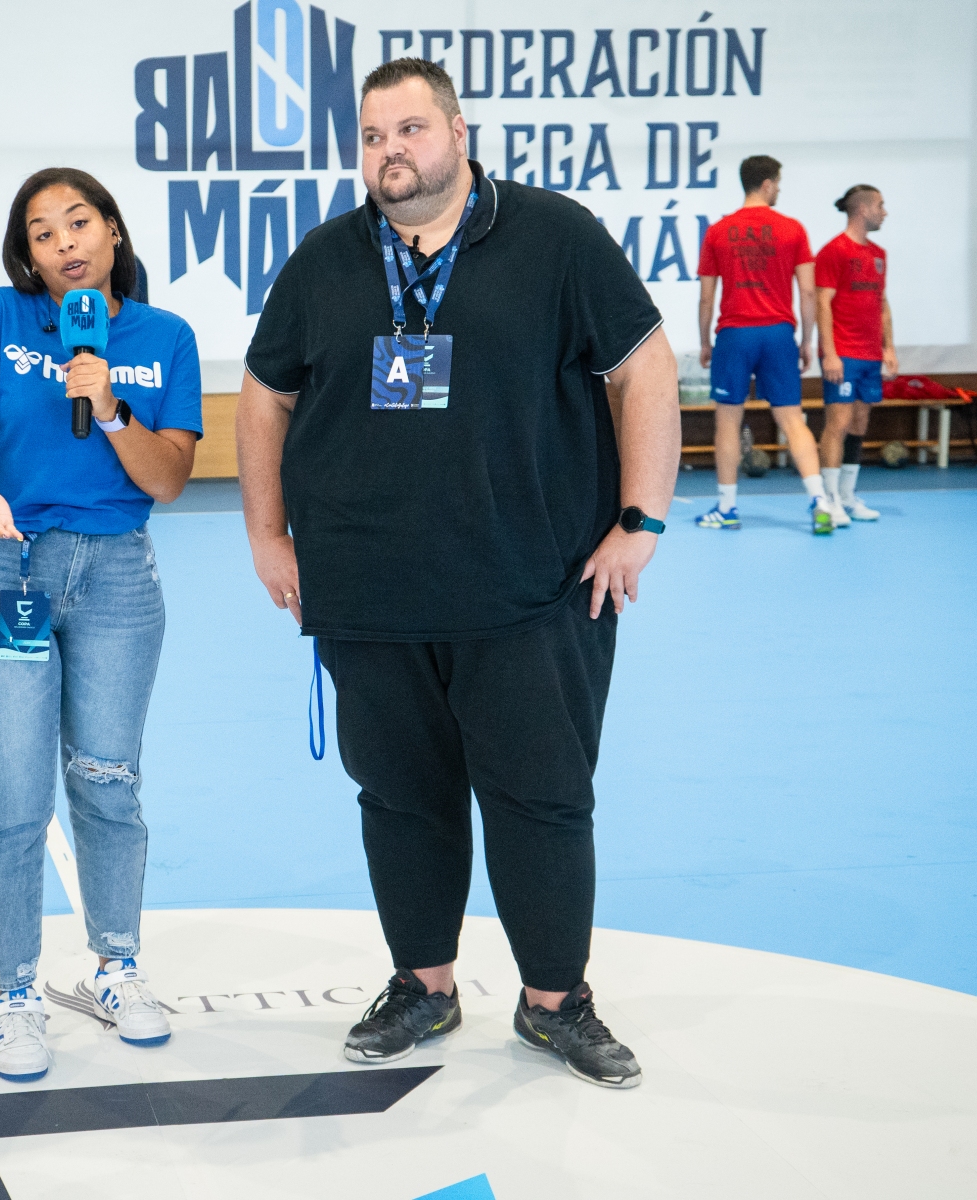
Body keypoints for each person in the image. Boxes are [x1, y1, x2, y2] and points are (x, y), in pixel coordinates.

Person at [238, 58, 679, 1089]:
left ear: (458, 132)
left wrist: (641, 522)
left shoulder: (557, 238)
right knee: (400, 800)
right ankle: (423, 987)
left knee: (543, 800)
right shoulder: (325, 260)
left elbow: (644, 368)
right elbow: (265, 395)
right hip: (368, 594)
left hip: (532, 588)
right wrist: (267, 534)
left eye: (410, 129)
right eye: (372, 137)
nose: (390, 152)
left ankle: (555, 1003)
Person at [0, 167, 202, 1083]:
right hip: (7, 565)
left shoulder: (165, 338)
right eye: (42, 233)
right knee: (13, 793)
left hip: (118, 575)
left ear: (113, 231)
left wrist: (111, 405)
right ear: (28, 254)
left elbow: (168, 478)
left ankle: (115, 968)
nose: (63, 244)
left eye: (78, 222)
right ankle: (15, 991)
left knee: (109, 781)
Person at [696, 156, 837, 533]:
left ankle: (727, 508)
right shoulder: (792, 229)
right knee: (792, 419)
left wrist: (705, 341)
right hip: (778, 333)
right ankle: (820, 502)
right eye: (779, 183)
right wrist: (806, 341)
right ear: (767, 184)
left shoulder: (718, 231)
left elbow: (706, 298)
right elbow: (808, 292)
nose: (779, 190)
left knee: (728, 421)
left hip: (735, 334)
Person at [816, 185, 895, 523]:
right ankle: (830, 499)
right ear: (863, 209)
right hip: (844, 353)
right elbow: (822, 303)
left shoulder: (878, 254)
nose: (884, 212)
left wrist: (889, 347)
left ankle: (848, 496)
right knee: (839, 423)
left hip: (870, 354)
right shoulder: (833, 251)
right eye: (880, 205)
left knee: (860, 422)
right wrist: (830, 354)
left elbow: (882, 303)